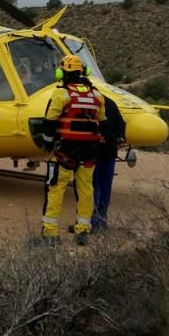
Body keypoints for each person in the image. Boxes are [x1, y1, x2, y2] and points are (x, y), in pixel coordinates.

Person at [40, 55, 106, 246]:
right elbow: (103, 122)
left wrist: (48, 145)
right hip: (89, 151)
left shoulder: (61, 94)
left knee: (55, 188)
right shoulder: (97, 95)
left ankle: (50, 233)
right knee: (86, 189)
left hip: (65, 150)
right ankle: (83, 230)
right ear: (83, 72)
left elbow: (50, 121)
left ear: (62, 72)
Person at [92, 92, 124, 232]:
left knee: (91, 187)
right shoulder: (111, 102)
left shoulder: (89, 101)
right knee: (105, 186)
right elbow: (121, 126)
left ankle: (91, 221)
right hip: (110, 151)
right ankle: (102, 220)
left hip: (93, 152)